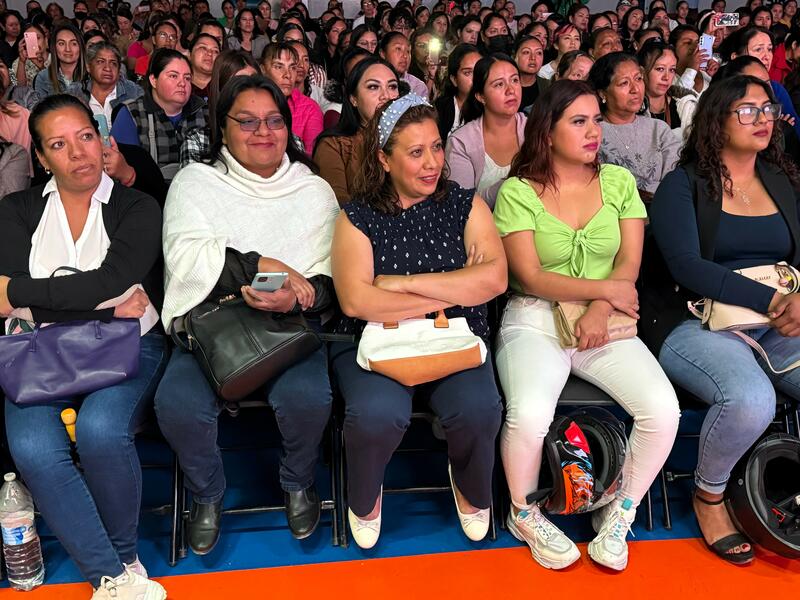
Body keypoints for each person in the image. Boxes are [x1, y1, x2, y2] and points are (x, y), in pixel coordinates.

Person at [493, 77, 679, 573]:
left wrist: (600, 309)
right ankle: (523, 511)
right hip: (533, 314)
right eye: (578, 121)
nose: (593, 130)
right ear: (547, 132)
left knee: (663, 410)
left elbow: (629, 267)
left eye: (596, 119)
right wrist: (603, 293)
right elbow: (529, 275)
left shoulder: (618, 183)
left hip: (608, 320)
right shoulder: (517, 191)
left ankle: (620, 512)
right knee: (530, 414)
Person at [155, 75, 339, 552]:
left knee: (308, 400)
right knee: (175, 405)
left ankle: (298, 480)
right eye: (248, 122)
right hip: (213, 326)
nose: (264, 132)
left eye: (275, 121)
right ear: (223, 129)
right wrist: (261, 265)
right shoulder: (197, 183)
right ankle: (207, 494)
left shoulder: (313, 191)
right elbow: (186, 258)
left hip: (290, 328)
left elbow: (334, 281)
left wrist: (297, 297)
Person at [0, 94, 167, 600]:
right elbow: (98, 293)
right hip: (38, 353)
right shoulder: (17, 209)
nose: (78, 153)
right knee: (31, 446)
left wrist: (18, 293)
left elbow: (110, 279)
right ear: (42, 158)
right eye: (59, 144)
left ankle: (124, 556)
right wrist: (101, 307)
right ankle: (110, 577)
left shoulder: (137, 206)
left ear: (102, 139)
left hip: (129, 344)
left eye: (86, 137)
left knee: (99, 430)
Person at [329, 93, 506, 550]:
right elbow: (354, 301)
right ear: (385, 160)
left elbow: (494, 280)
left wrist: (401, 285)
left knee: (479, 409)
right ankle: (365, 496)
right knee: (375, 414)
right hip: (374, 339)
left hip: (456, 337)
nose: (432, 163)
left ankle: (470, 485)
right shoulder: (358, 217)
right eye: (415, 152)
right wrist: (452, 287)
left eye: (436, 147)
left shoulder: (465, 205)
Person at [649, 74, 800, 565]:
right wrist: (771, 301)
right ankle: (710, 496)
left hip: (779, 317)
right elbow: (688, 267)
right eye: (748, 110)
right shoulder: (683, 184)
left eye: (767, 109)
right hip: (695, 318)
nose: (762, 119)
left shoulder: (782, 180)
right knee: (750, 398)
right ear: (718, 118)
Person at [588, 51, 680, 199]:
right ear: (602, 93)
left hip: (666, 208)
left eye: (638, 79)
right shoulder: (592, 133)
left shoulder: (659, 129)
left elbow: (676, 181)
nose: (635, 89)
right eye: (624, 83)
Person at [314, 56, 399, 204]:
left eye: (392, 86)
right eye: (373, 87)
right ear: (353, 98)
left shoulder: (409, 138)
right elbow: (338, 207)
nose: (386, 96)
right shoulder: (334, 145)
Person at [111, 49, 206, 181]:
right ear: (153, 80)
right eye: (173, 76)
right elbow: (122, 173)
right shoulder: (131, 115)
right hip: (146, 196)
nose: (182, 83)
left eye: (187, 78)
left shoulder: (204, 112)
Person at [446, 54, 526, 208]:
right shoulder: (461, 142)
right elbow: (461, 205)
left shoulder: (534, 130)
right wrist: (515, 179)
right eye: (499, 84)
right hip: (481, 229)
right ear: (480, 96)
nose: (511, 90)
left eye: (515, 80)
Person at [262, 42, 323, 155]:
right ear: (263, 69)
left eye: (292, 68)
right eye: (279, 66)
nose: (288, 75)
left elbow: (312, 158)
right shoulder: (251, 104)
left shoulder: (309, 108)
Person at [68, 41, 142, 126]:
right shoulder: (74, 93)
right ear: (88, 67)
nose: (107, 68)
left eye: (113, 63)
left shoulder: (134, 92)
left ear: (119, 70)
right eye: (100, 62)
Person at [639, 39, 697, 134]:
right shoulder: (631, 109)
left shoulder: (686, 105)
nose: (666, 77)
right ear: (642, 71)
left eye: (672, 70)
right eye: (660, 69)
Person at [433, 43, 480, 141]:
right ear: (454, 79)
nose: (475, 78)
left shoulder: (492, 106)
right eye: (467, 73)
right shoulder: (440, 108)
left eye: (479, 71)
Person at [34, 22, 86, 96]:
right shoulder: (43, 77)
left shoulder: (91, 75)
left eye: (74, 43)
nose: (68, 49)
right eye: (61, 43)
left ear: (81, 47)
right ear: (54, 47)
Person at [380, 31, 427, 97]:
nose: (405, 55)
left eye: (408, 51)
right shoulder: (372, 80)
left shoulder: (417, 86)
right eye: (398, 49)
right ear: (382, 53)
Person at [515, 35, 544, 112]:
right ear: (515, 56)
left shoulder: (548, 86)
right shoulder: (506, 86)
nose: (533, 58)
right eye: (526, 52)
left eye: (539, 53)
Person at [188, 32, 220, 101]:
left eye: (215, 51)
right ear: (189, 54)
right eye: (203, 48)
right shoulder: (179, 85)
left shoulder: (225, 87)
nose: (210, 53)